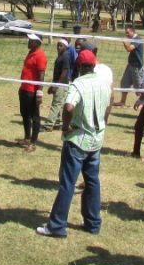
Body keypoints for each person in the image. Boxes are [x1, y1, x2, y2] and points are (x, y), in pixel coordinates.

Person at [37, 49, 112, 237]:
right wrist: (104, 121)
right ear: (94, 65)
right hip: (96, 140)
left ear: (79, 66)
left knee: (68, 183)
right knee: (92, 182)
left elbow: (69, 106)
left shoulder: (77, 84)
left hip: (78, 140)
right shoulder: (104, 82)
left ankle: (56, 226)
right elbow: (111, 101)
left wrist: (65, 126)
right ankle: (93, 223)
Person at [17, 33, 47, 153]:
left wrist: (39, 93)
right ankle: (27, 138)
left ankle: (33, 143)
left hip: (32, 92)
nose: (28, 41)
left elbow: (41, 76)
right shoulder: (31, 52)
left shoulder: (40, 56)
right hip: (24, 89)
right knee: (25, 115)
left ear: (37, 42)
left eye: (31, 40)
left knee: (35, 117)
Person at [42, 38, 73, 131]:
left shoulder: (65, 57)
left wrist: (56, 85)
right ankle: (58, 123)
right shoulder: (60, 56)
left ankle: (48, 125)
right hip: (59, 83)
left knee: (56, 104)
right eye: (58, 45)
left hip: (61, 85)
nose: (58, 47)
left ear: (66, 47)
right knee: (59, 104)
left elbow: (64, 72)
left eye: (61, 46)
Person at [116, 26, 144, 107]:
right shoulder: (132, 39)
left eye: (128, 32)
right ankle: (122, 102)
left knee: (138, 86)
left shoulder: (137, 39)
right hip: (130, 65)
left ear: (133, 31)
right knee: (124, 83)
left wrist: (124, 42)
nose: (126, 34)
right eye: (126, 32)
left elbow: (129, 49)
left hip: (137, 67)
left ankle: (141, 103)